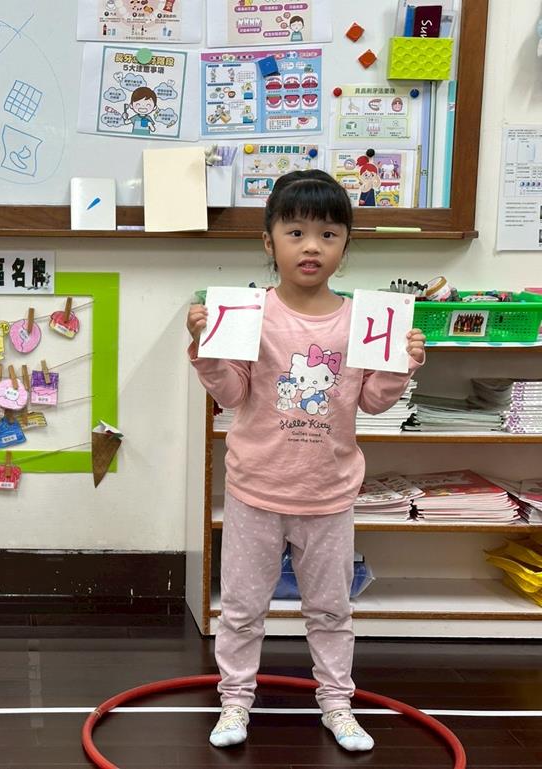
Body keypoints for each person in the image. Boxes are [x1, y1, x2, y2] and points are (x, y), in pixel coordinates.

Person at [185, 169, 426, 753]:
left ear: (346, 244)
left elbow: (373, 401)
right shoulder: (249, 313)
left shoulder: (364, 319)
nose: (312, 246)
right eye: (295, 232)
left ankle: (337, 703)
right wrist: (205, 348)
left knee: (331, 610)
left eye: (328, 234)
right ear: (269, 242)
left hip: (328, 495)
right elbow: (232, 394)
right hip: (256, 490)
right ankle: (235, 700)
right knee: (241, 609)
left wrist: (401, 362)